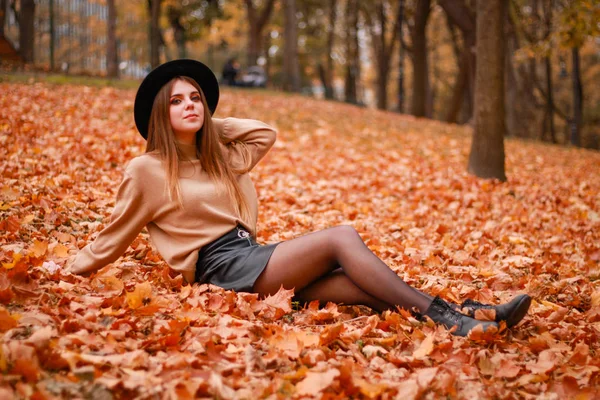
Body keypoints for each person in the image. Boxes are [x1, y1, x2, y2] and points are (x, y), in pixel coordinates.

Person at [69, 59, 531, 337]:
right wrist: (65, 269)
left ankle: (469, 317)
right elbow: (115, 234)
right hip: (219, 271)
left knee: (357, 289)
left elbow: (263, 133)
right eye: (176, 101)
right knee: (340, 239)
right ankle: (450, 317)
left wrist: (210, 126)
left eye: (196, 98)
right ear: (159, 114)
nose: (190, 104)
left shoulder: (219, 160)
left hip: (249, 258)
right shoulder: (146, 170)